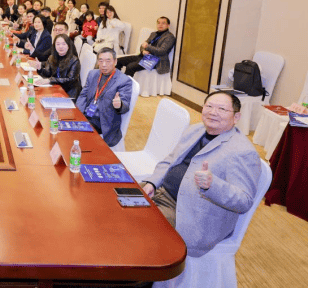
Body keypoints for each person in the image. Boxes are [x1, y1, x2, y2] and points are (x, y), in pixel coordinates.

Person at [143, 91, 261, 257]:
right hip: (160, 192)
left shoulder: (242, 151)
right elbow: (170, 160)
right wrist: (152, 183)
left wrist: (212, 185)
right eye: (209, 106)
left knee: (140, 230)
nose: (213, 112)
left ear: (236, 117)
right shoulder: (196, 129)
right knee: (116, 201)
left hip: (189, 214)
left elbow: (244, 201)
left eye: (222, 109)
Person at [76, 47, 133, 148]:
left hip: (103, 121)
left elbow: (125, 105)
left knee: (78, 134)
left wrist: (119, 105)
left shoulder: (123, 80)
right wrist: (78, 114)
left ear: (115, 61)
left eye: (108, 61)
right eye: (101, 61)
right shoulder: (93, 74)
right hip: (86, 114)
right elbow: (83, 95)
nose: (104, 64)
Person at [31, 34, 82, 99]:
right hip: (55, 88)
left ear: (68, 45)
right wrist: (40, 68)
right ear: (54, 46)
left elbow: (70, 79)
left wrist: (50, 80)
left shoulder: (74, 60)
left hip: (68, 92)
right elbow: (48, 74)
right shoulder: (52, 57)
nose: (60, 46)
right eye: (58, 44)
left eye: (64, 44)